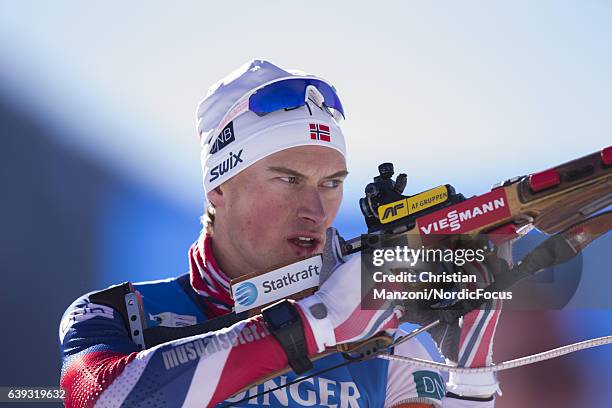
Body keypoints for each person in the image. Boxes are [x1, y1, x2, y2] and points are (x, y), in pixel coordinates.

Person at [59, 59, 504, 407]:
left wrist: (469, 382)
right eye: (288, 180)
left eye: (331, 183)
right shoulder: (120, 313)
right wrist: (316, 323)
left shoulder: (382, 343)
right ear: (219, 187)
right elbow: (103, 398)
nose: (315, 210)